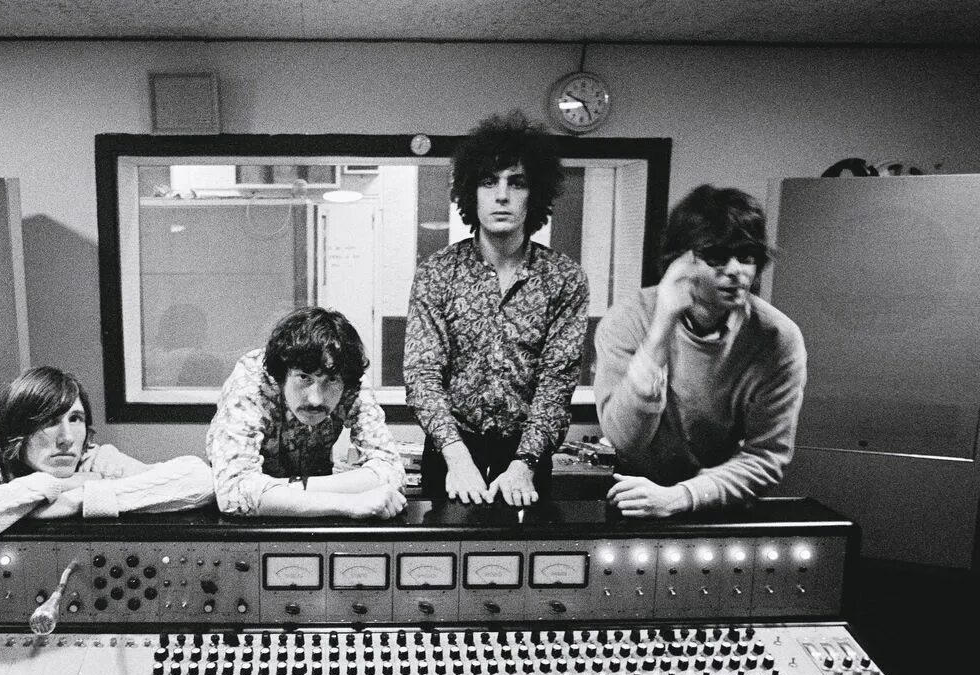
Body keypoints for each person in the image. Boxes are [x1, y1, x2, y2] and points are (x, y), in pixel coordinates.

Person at [0, 366, 214, 629]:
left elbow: (199, 480)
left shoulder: (97, 461)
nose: (67, 438)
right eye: (49, 421)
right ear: (17, 429)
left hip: (77, 614)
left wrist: (81, 498)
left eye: (75, 419)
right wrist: (49, 486)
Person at [404, 110, 588, 507]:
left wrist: (526, 462)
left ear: (534, 194)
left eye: (516, 182)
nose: (501, 195)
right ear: (470, 192)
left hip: (525, 458)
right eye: (489, 181)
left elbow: (557, 382)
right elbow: (422, 373)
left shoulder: (564, 278)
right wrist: (457, 457)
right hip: (451, 452)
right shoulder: (438, 273)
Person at [594, 184, 807, 517]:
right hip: (634, 497)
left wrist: (681, 497)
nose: (736, 270)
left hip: (719, 500)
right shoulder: (628, 319)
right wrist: (661, 330)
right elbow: (626, 439)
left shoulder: (778, 338)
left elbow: (767, 455)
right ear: (681, 260)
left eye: (746, 256)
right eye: (717, 257)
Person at [206, 306, 406, 518]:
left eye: (331, 380)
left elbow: (393, 473)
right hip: (255, 524)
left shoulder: (349, 378)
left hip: (302, 509)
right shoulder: (251, 381)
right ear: (281, 376)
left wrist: (286, 489)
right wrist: (349, 502)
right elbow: (234, 492)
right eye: (304, 378)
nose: (316, 399)